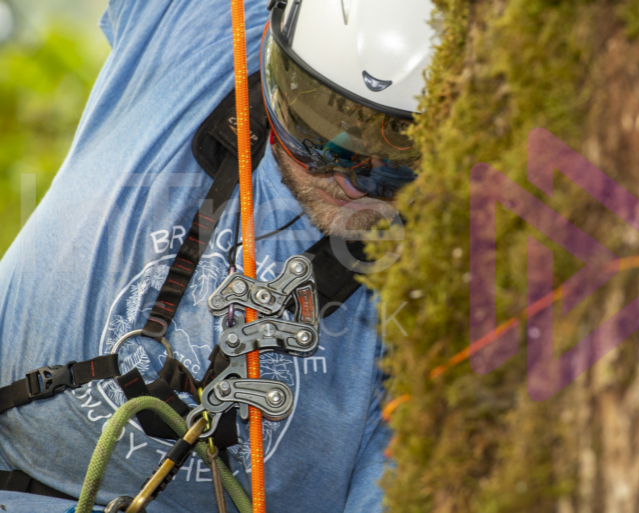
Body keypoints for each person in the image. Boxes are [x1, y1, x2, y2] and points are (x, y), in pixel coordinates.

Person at [0, 0, 437, 511]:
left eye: (400, 157)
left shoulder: (452, 277)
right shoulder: (202, 25)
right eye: (320, 135)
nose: (348, 181)